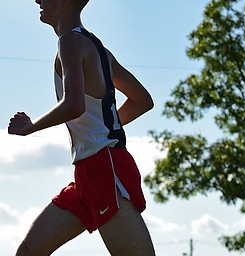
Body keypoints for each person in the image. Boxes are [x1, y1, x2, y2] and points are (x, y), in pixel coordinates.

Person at [8, 0, 156, 255]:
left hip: (104, 170)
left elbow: (74, 104)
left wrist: (31, 127)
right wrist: (104, 128)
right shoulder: (100, 50)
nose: (37, 0)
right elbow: (141, 101)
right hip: (88, 172)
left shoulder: (70, 42)